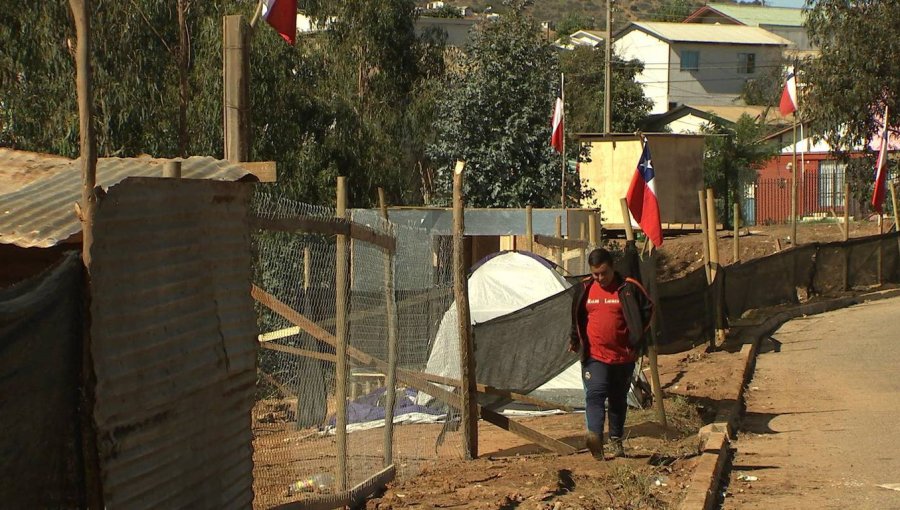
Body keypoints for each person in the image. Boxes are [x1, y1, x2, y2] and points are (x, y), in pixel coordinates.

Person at [569, 247, 653, 460]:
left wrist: (636, 337)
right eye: (595, 273)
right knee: (595, 393)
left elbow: (648, 309)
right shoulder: (585, 288)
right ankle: (595, 437)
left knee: (617, 399)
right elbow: (576, 316)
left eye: (603, 273)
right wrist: (574, 339)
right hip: (594, 355)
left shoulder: (628, 288)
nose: (599, 278)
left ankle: (616, 440)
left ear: (612, 268)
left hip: (623, 357)